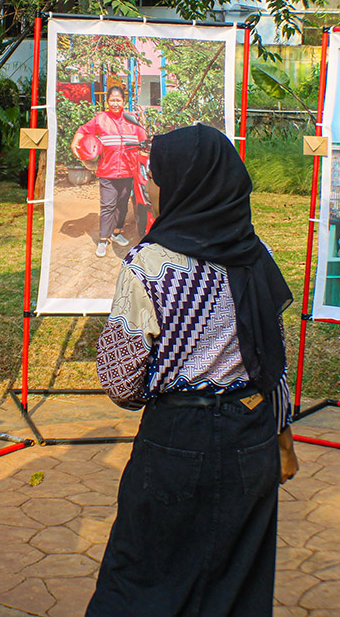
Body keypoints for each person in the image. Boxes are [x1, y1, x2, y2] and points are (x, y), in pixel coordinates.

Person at [87, 124, 299, 616]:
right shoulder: (256, 256)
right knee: (235, 579)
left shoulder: (150, 264)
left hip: (176, 436)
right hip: (251, 435)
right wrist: (282, 433)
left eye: (155, 175)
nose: (150, 185)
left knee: (142, 574)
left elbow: (120, 381)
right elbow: (275, 360)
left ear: (184, 184)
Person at [71, 85, 148, 258]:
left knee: (122, 204)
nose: (115, 103)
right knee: (107, 206)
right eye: (112, 100)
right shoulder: (100, 119)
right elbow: (83, 130)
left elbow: (143, 140)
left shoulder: (131, 119)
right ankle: (103, 239)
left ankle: (117, 232)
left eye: (118, 100)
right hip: (107, 171)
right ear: (107, 102)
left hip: (129, 171)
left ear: (123, 101)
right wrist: (75, 142)